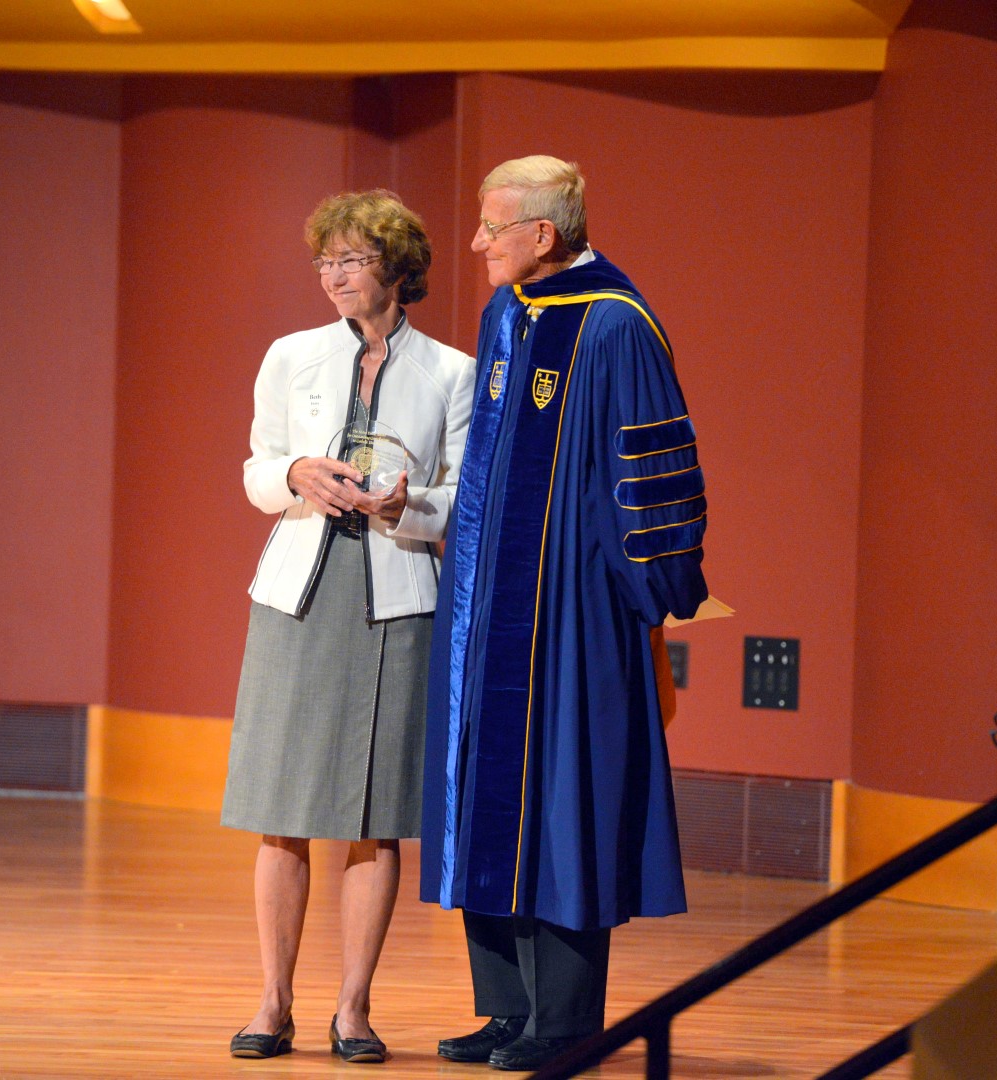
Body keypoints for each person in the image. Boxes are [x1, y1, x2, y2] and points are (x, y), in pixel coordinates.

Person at [420, 156, 709, 1071]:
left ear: (543, 234)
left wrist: (646, 598)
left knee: (561, 802)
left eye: (492, 226)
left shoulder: (617, 325)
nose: (477, 242)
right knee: (486, 793)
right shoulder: (507, 312)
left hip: (572, 614)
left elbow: (653, 475)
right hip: (488, 604)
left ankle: (566, 1022)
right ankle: (507, 1009)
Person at [222, 189, 475, 1064]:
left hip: (394, 601)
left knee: (377, 813)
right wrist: (295, 471)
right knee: (281, 807)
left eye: (353, 260)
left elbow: (465, 497)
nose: (333, 276)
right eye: (325, 261)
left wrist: (411, 506)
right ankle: (272, 1002)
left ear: (398, 269)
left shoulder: (451, 372)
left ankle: (354, 1009)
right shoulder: (290, 354)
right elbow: (256, 471)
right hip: (299, 594)